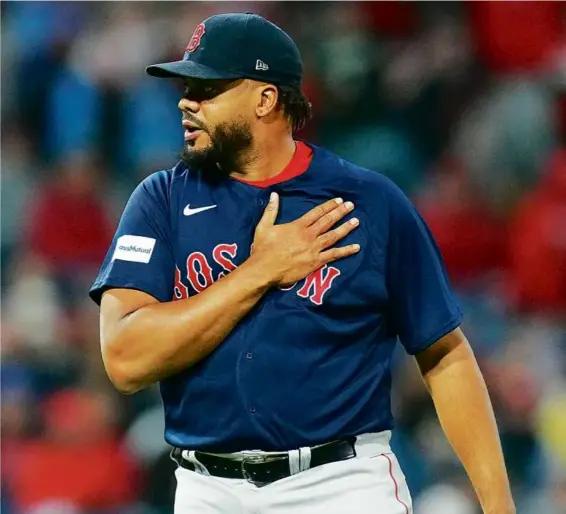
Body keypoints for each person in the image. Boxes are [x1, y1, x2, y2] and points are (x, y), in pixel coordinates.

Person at [89, 12, 515, 514]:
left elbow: (445, 354)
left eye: (207, 88)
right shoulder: (159, 201)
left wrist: (498, 506)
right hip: (207, 488)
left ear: (266, 99)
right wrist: (260, 270)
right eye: (186, 86)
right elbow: (124, 359)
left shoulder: (368, 203)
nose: (187, 101)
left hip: (340, 484)